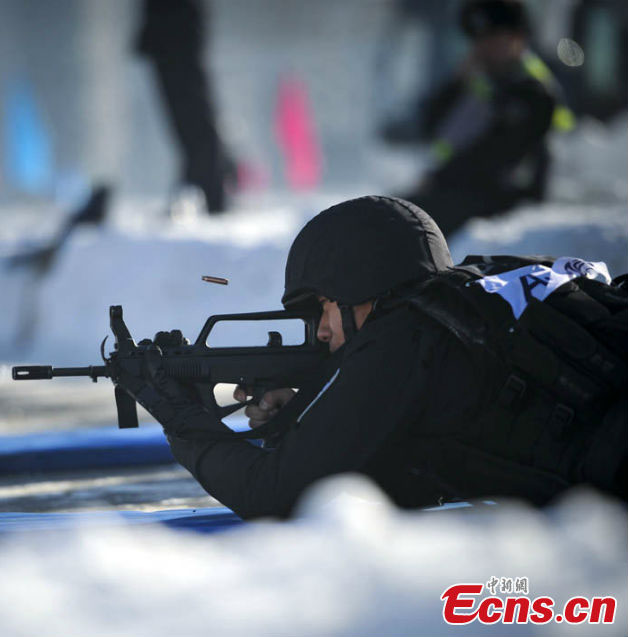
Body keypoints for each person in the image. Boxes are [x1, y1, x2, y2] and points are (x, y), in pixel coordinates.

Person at [114, 196, 627, 518]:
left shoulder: (404, 335)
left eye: (322, 308)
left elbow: (277, 498)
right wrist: (307, 420)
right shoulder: (483, 292)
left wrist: (183, 423)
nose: (320, 330)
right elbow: (417, 464)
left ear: (355, 287)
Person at [402, 0, 573, 237]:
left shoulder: (534, 90)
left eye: (495, 38)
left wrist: (438, 177)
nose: (484, 48)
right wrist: (457, 83)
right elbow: (429, 125)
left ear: (518, 38)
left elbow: (496, 155)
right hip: (463, 193)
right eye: (479, 40)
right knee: (394, 213)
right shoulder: (478, 81)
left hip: (512, 203)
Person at [136, 0, 235, 214]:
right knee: (187, 118)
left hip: (177, 36)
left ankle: (211, 192)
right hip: (171, 36)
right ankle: (204, 187)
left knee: (193, 116)